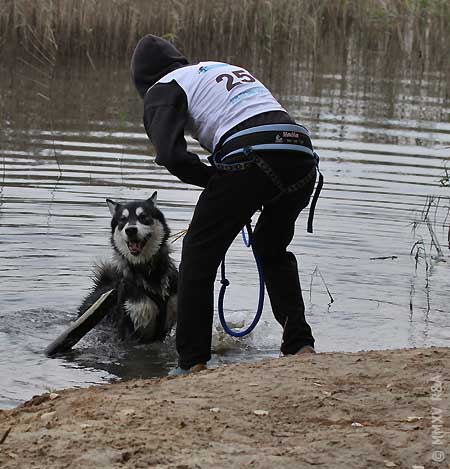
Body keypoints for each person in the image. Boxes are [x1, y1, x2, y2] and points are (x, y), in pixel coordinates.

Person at [131, 35, 321, 374]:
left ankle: (192, 364)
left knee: (198, 253)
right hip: (301, 153)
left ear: (143, 83)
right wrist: (234, 188)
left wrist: (218, 182)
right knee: (271, 248)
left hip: (250, 155)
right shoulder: (218, 69)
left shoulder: (162, 88)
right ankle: (300, 345)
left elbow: (171, 156)